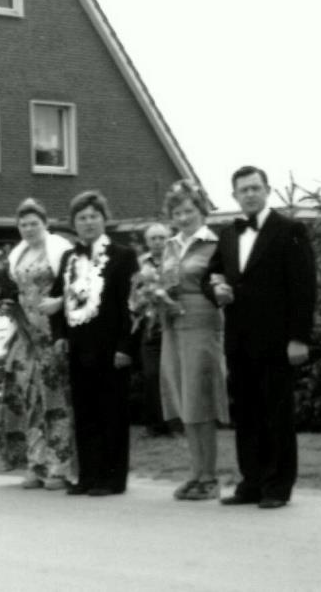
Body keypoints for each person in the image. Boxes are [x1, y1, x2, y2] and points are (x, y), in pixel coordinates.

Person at [206, 166, 316, 510]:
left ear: (268, 190)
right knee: (247, 413)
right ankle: (251, 482)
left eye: (256, 188)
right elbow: (210, 274)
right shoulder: (228, 234)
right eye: (244, 190)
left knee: (277, 412)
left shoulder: (290, 230)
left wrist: (299, 338)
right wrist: (215, 289)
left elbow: (304, 287)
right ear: (234, 195)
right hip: (239, 339)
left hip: (277, 340)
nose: (250, 194)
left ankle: (278, 486)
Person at [50, 190, 138, 496]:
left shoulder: (123, 256)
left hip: (111, 348)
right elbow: (57, 299)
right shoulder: (68, 258)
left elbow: (132, 305)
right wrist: (60, 335)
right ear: (74, 223)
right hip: (78, 346)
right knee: (85, 412)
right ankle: (88, 475)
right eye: (82, 218)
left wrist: (126, 347)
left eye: (93, 216)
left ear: (104, 219)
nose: (88, 222)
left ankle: (112, 479)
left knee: (111, 412)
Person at [0, 198, 75, 490]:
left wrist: (60, 303)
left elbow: (75, 287)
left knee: (54, 400)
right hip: (25, 334)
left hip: (51, 333)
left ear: (45, 223)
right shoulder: (19, 254)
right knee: (28, 399)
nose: (28, 229)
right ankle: (36, 463)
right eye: (23, 224)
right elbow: (15, 291)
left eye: (34, 223)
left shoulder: (61, 250)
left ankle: (59, 466)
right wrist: (6, 305)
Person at [160, 181, 229, 501]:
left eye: (189, 211)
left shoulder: (214, 244)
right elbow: (163, 282)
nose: (184, 217)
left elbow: (220, 286)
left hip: (202, 324)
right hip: (173, 326)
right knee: (184, 399)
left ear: (201, 211)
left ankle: (210, 476)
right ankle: (195, 472)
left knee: (200, 398)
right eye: (177, 212)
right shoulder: (170, 246)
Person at [132, 222, 174, 438]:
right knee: (151, 375)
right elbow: (132, 295)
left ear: (169, 239)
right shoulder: (140, 264)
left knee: (173, 375)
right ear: (147, 242)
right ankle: (155, 425)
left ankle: (175, 423)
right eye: (153, 238)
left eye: (162, 237)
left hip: (174, 326)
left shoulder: (176, 261)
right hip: (150, 328)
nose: (158, 242)